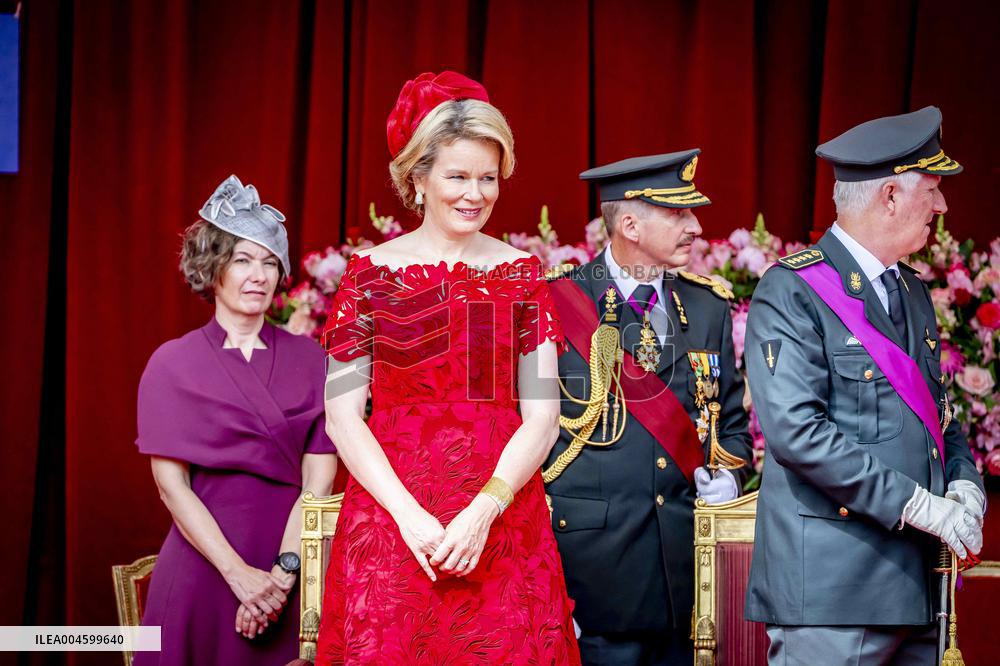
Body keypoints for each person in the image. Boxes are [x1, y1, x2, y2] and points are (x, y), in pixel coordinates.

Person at [314, 71, 580, 665]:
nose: (474, 194)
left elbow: (541, 416)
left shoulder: (520, 274)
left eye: (488, 178)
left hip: (502, 524)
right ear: (418, 177)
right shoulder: (369, 274)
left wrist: (484, 511)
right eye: (458, 176)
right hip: (392, 522)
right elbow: (341, 415)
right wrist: (409, 518)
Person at [743, 106, 986, 664]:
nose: (943, 204)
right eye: (933, 188)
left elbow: (935, 417)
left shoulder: (912, 292)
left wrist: (963, 481)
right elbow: (797, 434)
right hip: (836, 591)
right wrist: (919, 505)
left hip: (916, 588)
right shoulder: (792, 291)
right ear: (891, 197)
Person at [544, 151, 753, 665]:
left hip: (683, 571)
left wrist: (726, 477)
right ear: (631, 224)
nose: (696, 226)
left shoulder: (707, 306)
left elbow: (730, 426)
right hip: (589, 573)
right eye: (680, 214)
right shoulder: (555, 303)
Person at [134, 175, 337, 665]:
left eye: (270, 262)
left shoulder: (312, 360)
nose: (258, 275)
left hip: (290, 568)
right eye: (242, 260)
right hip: (203, 569)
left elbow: (321, 476)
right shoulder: (170, 363)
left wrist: (283, 575)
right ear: (213, 269)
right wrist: (238, 574)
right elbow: (170, 486)